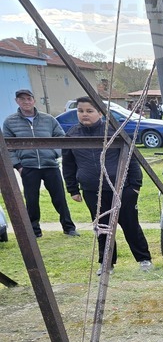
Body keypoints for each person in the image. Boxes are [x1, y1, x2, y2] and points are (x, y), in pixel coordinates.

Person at [62, 96, 153, 273]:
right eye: (80, 111)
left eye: (89, 111)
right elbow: (68, 164)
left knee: (130, 225)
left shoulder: (113, 131)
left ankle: (144, 259)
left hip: (121, 189)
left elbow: (131, 158)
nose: (84, 115)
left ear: (100, 113)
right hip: (92, 190)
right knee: (102, 227)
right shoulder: (72, 135)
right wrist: (72, 189)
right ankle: (106, 263)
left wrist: (135, 185)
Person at [2, 89, 78, 238]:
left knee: (60, 198)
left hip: (50, 165)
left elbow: (61, 138)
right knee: (31, 200)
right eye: (22, 99)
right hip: (28, 167)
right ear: (17, 101)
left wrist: (54, 153)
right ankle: (34, 231)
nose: (26, 102)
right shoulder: (10, 122)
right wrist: (18, 166)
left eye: (28, 98)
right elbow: (7, 147)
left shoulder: (48, 119)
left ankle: (69, 228)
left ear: (34, 100)